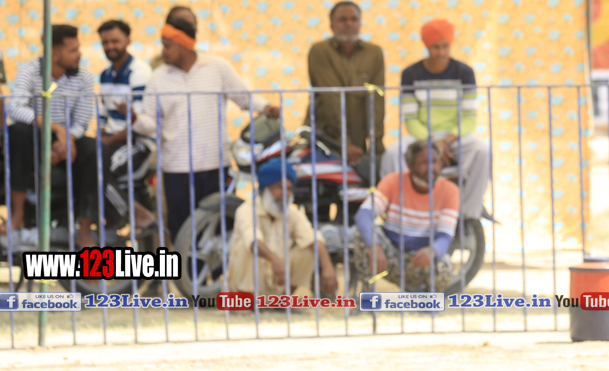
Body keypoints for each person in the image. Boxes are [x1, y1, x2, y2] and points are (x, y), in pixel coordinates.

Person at [126, 19, 278, 240]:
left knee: (220, 227)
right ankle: (184, 265)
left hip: (215, 165)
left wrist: (266, 107)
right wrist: (134, 119)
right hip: (177, 169)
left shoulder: (217, 67)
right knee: (181, 229)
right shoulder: (158, 78)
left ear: (184, 45)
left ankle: (219, 265)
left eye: (168, 45)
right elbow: (151, 123)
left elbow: (243, 97)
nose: (163, 51)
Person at [378, 19, 490, 220]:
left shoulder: (465, 73)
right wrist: (433, 142)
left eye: (445, 46)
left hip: (455, 137)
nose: (441, 52)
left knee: (483, 151)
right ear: (426, 46)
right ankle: (400, 212)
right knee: (393, 154)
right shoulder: (411, 74)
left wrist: (446, 141)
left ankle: (467, 215)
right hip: (423, 136)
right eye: (435, 47)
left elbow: (469, 119)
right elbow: (411, 120)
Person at [0, 25, 97, 250]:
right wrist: (56, 130)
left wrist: (67, 139)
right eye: (73, 50)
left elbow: (82, 121)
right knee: (18, 131)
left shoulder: (84, 77)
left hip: (68, 142)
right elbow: (16, 108)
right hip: (37, 138)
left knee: (93, 148)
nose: (79, 54)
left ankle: (85, 230)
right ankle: (17, 214)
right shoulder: (30, 70)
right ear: (55, 53)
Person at [354, 139, 456, 291]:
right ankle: (367, 296)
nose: (431, 168)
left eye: (434, 162)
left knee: (444, 266)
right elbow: (364, 214)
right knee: (362, 234)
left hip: (420, 260)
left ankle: (428, 300)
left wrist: (433, 250)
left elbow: (445, 236)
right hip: (389, 258)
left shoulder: (450, 191)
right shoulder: (392, 181)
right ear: (410, 165)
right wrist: (375, 245)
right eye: (423, 162)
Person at [226, 157, 336, 299]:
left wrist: (327, 267)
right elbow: (252, 240)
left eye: (289, 189)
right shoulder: (246, 210)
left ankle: (281, 301)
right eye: (279, 187)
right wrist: (274, 260)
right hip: (248, 285)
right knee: (246, 246)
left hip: (277, 280)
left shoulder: (291, 213)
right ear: (264, 189)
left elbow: (312, 237)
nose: (285, 194)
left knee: (309, 249)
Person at [85, 19, 156, 233]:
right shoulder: (106, 74)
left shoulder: (139, 72)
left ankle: (133, 214)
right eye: (105, 42)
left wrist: (105, 142)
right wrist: (101, 138)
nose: (110, 46)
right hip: (112, 141)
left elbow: (138, 122)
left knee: (98, 169)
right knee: (86, 163)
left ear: (128, 41)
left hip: (139, 142)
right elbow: (104, 115)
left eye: (115, 41)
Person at [305, 1, 385, 167]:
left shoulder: (374, 53)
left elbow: (377, 99)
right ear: (331, 25)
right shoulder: (320, 51)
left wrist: (376, 143)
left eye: (354, 19)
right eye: (343, 19)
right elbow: (331, 98)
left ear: (360, 23)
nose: (349, 24)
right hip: (323, 137)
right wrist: (344, 143)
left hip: (358, 139)